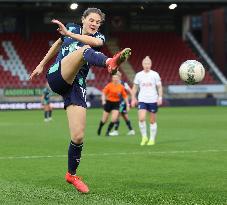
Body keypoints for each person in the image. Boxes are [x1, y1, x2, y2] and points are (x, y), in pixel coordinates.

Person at [30, 8, 131, 193]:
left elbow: (95, 42)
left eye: (97, 22)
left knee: (78, 136)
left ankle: (71, 174)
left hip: (76, 85)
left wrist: (69, 35)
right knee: (85, 50)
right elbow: (58, 44)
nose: (94, 24)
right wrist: (42, 64)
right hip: (57, 75)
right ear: (83, 20)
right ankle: (110, 63)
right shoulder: (71, 28)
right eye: (91, 20)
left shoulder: (99, 38)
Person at [131, 56, 162, 146]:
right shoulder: (138, 75)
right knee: (141, 119)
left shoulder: (155, 74)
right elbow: (135, 87)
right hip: (142, 100)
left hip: (153, 100)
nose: (147, 65)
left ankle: (152, 139)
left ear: (151, 64)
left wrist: (160, 97)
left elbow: (159, 87)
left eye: (148, 63)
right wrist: (133, 98)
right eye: (145, 63)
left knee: (152, 121)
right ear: (142, 64)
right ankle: (144, 137)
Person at [97, 71, 130, 136]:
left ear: (118, 78)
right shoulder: (109, 85)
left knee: (114, 118)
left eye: (116, 78)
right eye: (114, 77)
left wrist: (128, 104)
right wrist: (103, 100)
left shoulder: (121, 86)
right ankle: (100, 128)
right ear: (112, 78)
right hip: (109, 103)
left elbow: (125, 96)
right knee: (104, 120)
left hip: (116, 103)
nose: (115, 79)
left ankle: (108, 132)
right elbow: (103, 93)